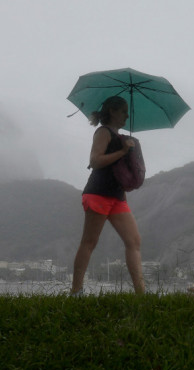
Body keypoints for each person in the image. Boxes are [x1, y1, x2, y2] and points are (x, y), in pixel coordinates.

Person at [70, 96, 145, 295]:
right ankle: (76, 291)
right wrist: (122, 151)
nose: (126, 116)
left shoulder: (122, 138)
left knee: (134, 241)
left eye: (128, 113)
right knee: (89, 242)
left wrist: (128, 149)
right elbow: (94, 161)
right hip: (98, 193)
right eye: (123, 112)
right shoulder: (103, 132)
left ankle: (141, 293)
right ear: (112, 111)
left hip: (117, 197)